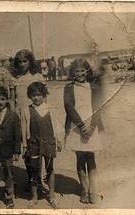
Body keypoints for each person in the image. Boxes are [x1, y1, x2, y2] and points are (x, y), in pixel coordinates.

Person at [64, 58, 104, 204]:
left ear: (87, 72)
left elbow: (98, 107)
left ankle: (93, 190)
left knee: (91, 159)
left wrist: (91, 127)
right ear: (72, 73)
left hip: (91, 125)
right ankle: (84, 190)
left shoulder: (94, 87)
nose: (80, 73)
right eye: (76, 71)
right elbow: (69, 107)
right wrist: (81, 126)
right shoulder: (68, 88)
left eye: (82, 70)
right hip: (76, 126)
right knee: (80, 159)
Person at [21, 82, 62, 208]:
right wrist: (24, 146)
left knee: (50, 168)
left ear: (44, 95)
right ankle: (34, 197)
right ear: (29, 96)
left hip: (49, 142)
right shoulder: (26, 110)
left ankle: (52, 196)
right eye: (33, 95)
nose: (36, 98)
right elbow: (23, 128)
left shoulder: (50, 108)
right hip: (33, 144)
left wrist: (59, 140)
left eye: (39, 95)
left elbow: (57, 126)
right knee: (34, 170)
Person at [10, 49, 44, 190]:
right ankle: (31, 178)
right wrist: (13, 115)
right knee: (26, 148)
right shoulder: (15, 79)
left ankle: (38, 179)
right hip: (20, 116)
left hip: (35, 115)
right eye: (20, 62)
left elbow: (44, 98)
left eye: (25, 61)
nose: (23, 64)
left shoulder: (37, 76)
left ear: (30, 61)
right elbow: (12, 99)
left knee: (37, 146)